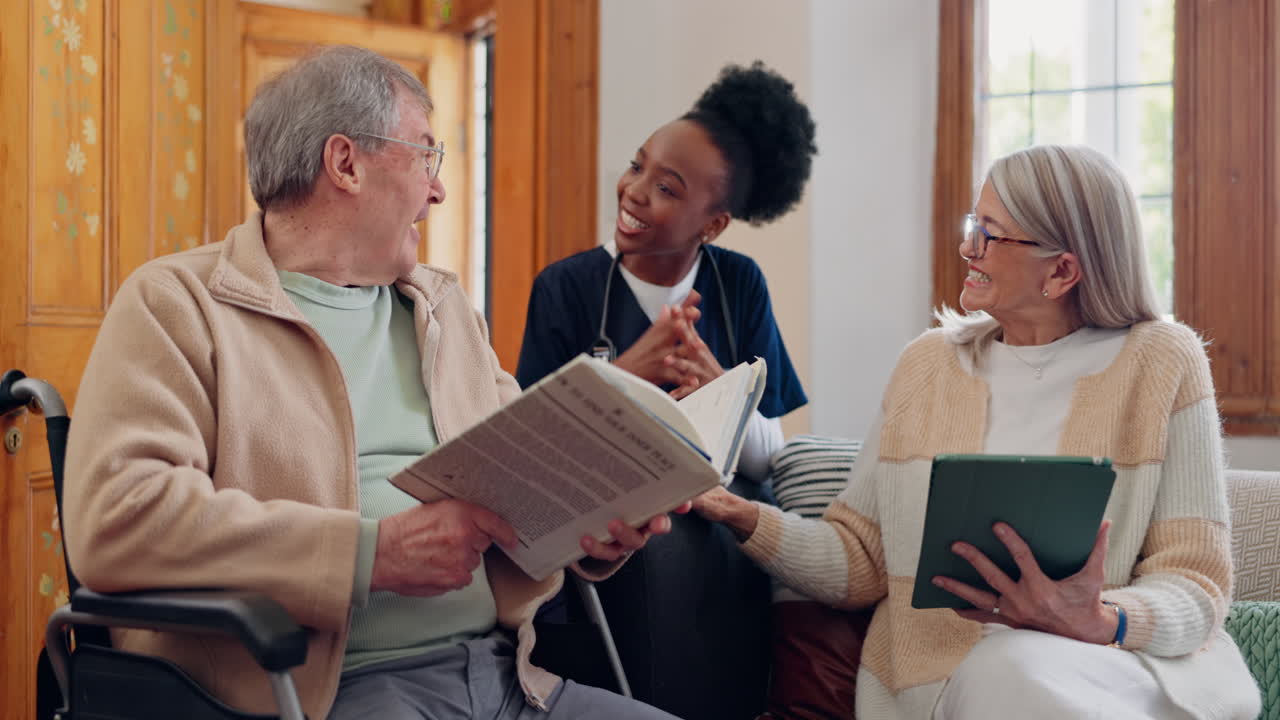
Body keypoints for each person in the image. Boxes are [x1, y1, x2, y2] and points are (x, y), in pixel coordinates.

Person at [63, 45, 681, 720]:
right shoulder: (178, 304)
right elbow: (119, 517)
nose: (438, 188)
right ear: (346, 163)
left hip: (510, 677)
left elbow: (527, 469)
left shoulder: (443, 307)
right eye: (425, 154)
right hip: (325, 694)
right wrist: (369, 555)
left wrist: (591, 520)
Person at [692, 144, 1261, 719]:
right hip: (947, 694)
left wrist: (1102, 619)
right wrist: (739, 514)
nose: (968, 248)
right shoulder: (927, 366)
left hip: (1111, 675)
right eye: (973, 225)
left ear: (1062, 271)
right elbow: (861, 559)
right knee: (999, 668)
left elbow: (1196, 582)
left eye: (990, 234)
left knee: (1009, 665)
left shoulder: (1162, 360)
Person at [514, 62, 816, 718]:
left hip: (717, 521)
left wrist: (722, 393)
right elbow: (531, 457)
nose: (635, 191)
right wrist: (627, 371)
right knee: (657, 542)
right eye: (637, 166)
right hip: (609, 525)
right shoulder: (567, 289)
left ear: (713, 224)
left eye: (669, 188)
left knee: (696, 534)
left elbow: (768, 458)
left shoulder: (738, 285)